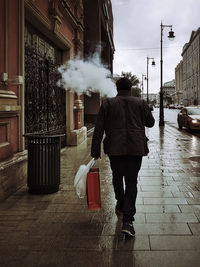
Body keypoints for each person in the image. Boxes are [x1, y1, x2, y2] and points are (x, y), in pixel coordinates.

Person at [91, 77, 155, 237]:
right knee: (132, 181)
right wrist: (145, 110)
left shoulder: (107, 103)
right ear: (131, 88)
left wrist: (95, 149)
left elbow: (98, 128)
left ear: (117, 89)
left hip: (115, 148)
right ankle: (128, 220)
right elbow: (151, 123)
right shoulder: (140, 103)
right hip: (135, 148)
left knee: (117, 177)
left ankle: (120, 204)